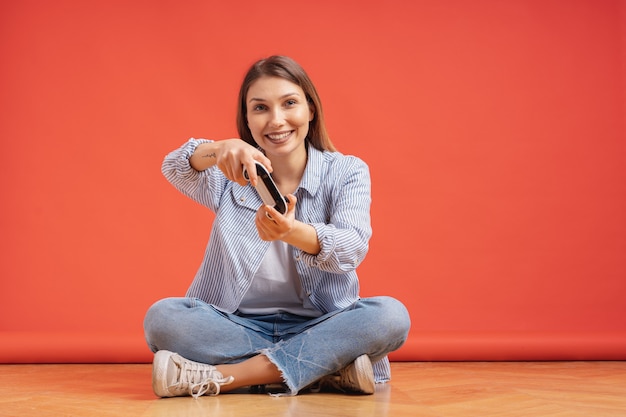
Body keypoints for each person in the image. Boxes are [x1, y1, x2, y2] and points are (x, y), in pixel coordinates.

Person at [144, 55, 410, 398]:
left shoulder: (346, 171)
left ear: (310, 110)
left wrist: (290, 232)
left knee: (390, 315)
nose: (276, 120)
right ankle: (322, 368)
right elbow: (176, 166)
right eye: (260, 108)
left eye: (289, 103)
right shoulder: (231, 176)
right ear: (248, 120)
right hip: (237, 325)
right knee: (162, 318)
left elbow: (351, 248)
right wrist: (218, 148)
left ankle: (227, 377)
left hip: (321, 324)